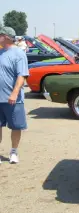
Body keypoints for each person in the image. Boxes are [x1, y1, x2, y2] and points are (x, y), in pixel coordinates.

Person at [0, 26, 29, 164]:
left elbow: (22, 75)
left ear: (5, 37)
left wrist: (14, 93)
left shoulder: (18, 53)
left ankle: (13, 151)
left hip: (13, 99)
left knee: (16, 126)